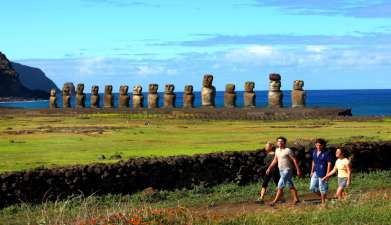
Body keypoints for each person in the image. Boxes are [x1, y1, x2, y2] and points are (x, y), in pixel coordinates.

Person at [266, 136, 302, 207]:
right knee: (290, 184)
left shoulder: (288, 150)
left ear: (284, 143)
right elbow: (275, 160)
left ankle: (274, 201)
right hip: (281, 170)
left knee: (280, 185)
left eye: (281, 141)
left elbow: (294, 160)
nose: (280, 142)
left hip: (287, 170)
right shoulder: (277, 150)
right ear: (277, 143)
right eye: (278, 141)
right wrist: (269, 168)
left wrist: (298, 170)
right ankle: (296, 199)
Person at [309, 138, 333, 204]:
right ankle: (325, 198)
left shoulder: (327, 152)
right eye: (317, 145)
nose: (318, 147)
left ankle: (323, 203)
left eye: (320, 145)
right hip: (316, 172)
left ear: (323, 145)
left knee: (322, 188)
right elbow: (313, 161)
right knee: (312, 188)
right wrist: (311, 171)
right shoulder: (314, 151)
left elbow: (329, 163)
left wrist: (328, 174)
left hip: (323, 172)